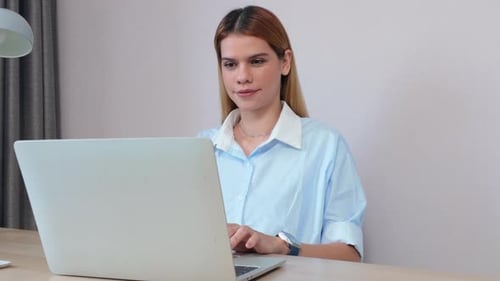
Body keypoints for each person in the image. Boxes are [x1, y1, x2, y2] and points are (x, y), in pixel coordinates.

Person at [198, 5, 366, 262]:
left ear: (285, 62)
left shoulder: (325, 145)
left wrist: (282, 246)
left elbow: (350, 254)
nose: (242, 77)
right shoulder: (201, 148)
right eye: (230, 64)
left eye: (256, 61)